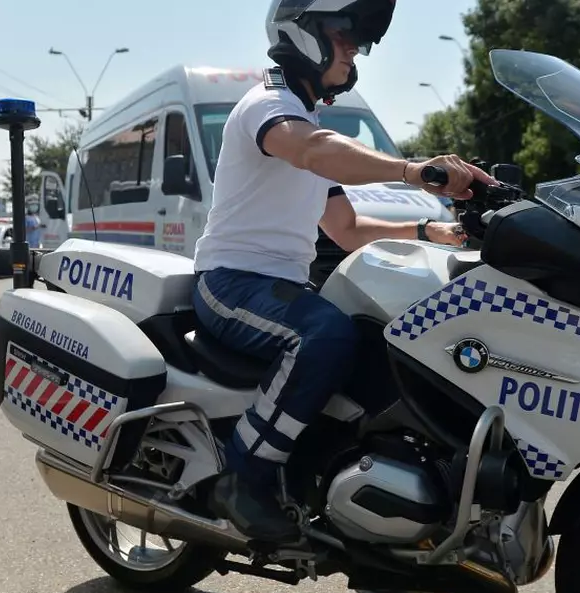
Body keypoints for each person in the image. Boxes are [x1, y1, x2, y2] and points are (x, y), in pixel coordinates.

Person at [192, 0, 495, 544]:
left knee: (381, 340)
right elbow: (312, 151)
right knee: (323, 335)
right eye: (344, 31)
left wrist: (430, 233)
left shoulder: (307, 123)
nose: (356, 45)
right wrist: (413, 172)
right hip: (229, 283)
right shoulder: (269, 107)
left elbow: (347, 228)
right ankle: (243, 476)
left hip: (279, 286)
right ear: (302, 33)